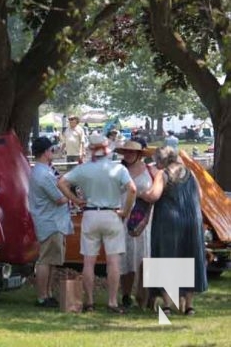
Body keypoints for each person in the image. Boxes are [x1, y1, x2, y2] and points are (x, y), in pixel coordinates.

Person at [58, 133, 137, 314]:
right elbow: (132, 189)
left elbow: (61, 182)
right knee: (113, 261)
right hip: (112, 214)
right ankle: (112, 302)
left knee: (88, 261)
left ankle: (90, 301)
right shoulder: (118, 169)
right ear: (106, 149)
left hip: (91, 214)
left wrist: (75, 200)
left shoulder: (83, 169)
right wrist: (126, 211)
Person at [141, 146, 207, 316]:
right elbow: (199, 195)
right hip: (192, 220)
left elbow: (154, 195)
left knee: (166, 257)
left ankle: (168, 305)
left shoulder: (162, 174)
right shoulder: (190, 173)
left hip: (169, 220)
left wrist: (142, 194)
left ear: (161, 161)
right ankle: (189, 306)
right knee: (189, 256)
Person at [28, 137, 73, 308]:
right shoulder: (43, 174)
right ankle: (42, 296)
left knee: (53, 260)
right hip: (50, 222)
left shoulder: (46, 171)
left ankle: (48, 293)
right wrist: (71, 193)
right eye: (51, 150)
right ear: (46, 152)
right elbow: (60, 198)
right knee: (45, 260)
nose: (53, 153)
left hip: (54, 221)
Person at [114, 140, 153, 309]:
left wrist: (146, 195)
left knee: (145, 258)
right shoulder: (118, 170)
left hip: (145, 220)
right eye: (125, 151)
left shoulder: (151, 170)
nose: (128, 154)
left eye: (132, 151)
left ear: (139, 153)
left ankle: (143, 296)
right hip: (123, 218)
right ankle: (126, 295)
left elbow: (156, 192)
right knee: (126, 258)